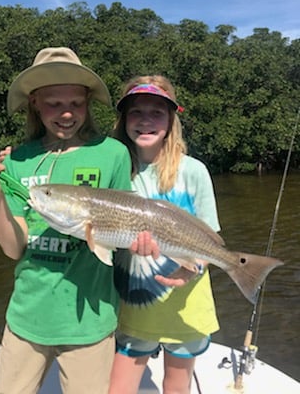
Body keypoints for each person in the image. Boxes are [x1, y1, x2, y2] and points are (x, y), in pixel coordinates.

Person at [0, 47, 133, 394]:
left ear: (88, 103)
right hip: (26, 318)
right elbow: (14, 248)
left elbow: (124, 224)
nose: (67, 113)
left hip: (91, 320)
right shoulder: (17, 161)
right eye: (54, 104)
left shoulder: (113, 153)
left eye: (76, 103)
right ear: (35, 105)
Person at [109, 76, 221, 394]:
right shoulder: (115, 170)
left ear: (171, 120)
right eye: (136, 112)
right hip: (134, 301)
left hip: (187, 302)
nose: (146, 120)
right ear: (123, 119)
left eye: (157, 112)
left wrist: (191, 269)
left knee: (177, 385)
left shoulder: (194, 171)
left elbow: (209, 240)